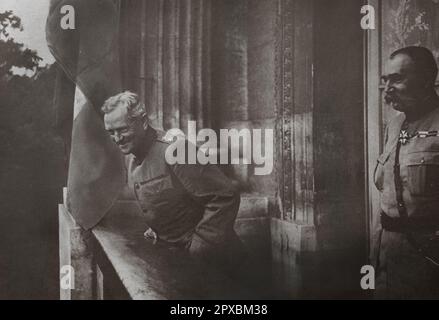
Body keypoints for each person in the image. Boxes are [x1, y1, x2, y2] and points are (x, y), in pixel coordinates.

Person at [102, 91, 244, 268]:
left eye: (123, 129)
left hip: (218, 263)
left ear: (143, 122)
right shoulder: (131, 157)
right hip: (178, 259)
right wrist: (159, 228)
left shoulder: (176, 149)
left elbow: (225, 196)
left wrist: (199, 248)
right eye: (111, 132)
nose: (117, 139)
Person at [372, 46, 439, 299]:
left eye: (397, 79)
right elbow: (386, 190)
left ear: (425, 79)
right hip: (387, 260)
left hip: (428, 264)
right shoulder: (395, 124)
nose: (387, 89)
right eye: (385, 80)